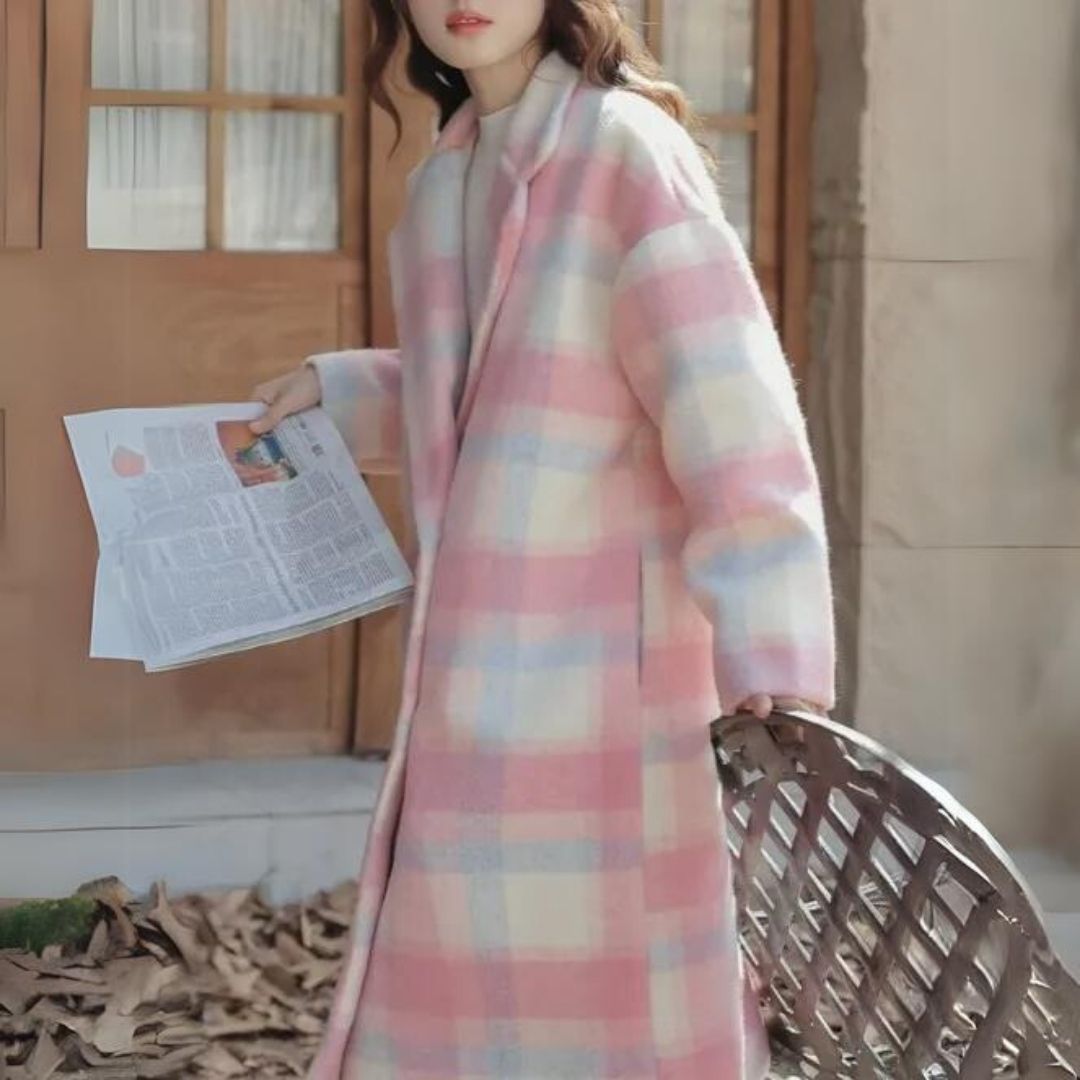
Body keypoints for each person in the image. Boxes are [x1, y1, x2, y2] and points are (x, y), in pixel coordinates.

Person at [250, 2, 836, 1077]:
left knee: (628, 1018)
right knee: (451, 1005)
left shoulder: (623, 148)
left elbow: (733, 416)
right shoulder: (442, 186)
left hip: (610, 694)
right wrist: (339, 391)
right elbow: (485, 393)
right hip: (472, 691)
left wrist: (774, 658)